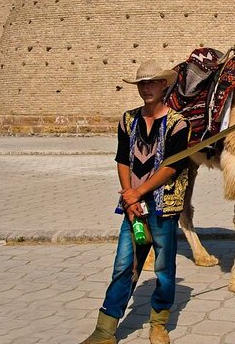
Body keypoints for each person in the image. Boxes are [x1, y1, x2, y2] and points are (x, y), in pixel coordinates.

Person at [80, 60, 191, 344]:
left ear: (164, 85)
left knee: (164, 269)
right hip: (134, 209)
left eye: (152, 82)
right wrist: (129, 197)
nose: (147, 88)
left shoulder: (178, 124)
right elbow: (122, 160)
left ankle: (159, 323)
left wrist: (138, 193)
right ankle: (105, 330)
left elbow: (171, 167)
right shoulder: (128, 120)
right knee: (123, 265)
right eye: (142, 84)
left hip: (163, 207)